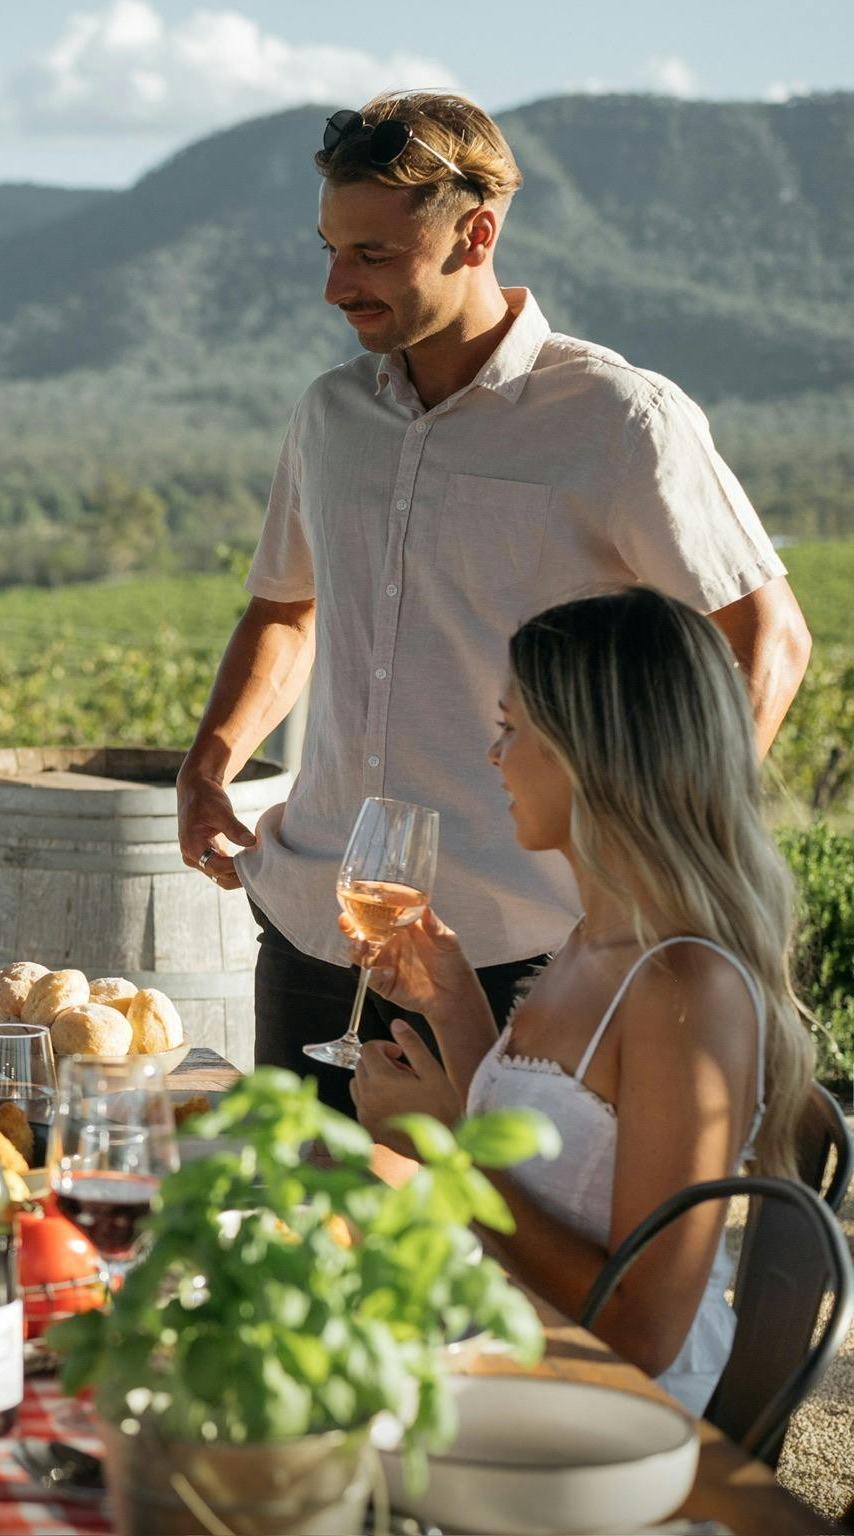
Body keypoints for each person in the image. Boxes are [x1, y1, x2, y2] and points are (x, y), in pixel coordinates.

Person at [176, 89, 811, 1112]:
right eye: (330, 250)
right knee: (295, 1209)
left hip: (522, 947)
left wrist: (657, 865)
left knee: (499, 1218)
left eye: (373, 255)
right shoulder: (328, 416)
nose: (336, 286)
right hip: (310, 930)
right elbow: (286, 611)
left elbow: (767, 639)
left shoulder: (619, 420)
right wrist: (207, 767)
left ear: (474, 235)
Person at [348, 586, 813, 1410]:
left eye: (511, 727)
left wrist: (447, 1151)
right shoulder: (594, 938)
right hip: (515, 1350)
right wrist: (454, 1003)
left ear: (592, 751)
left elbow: (643, 1334)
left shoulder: (687, 988)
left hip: (613, 1416)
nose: (494, 755)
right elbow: (546, 1160)